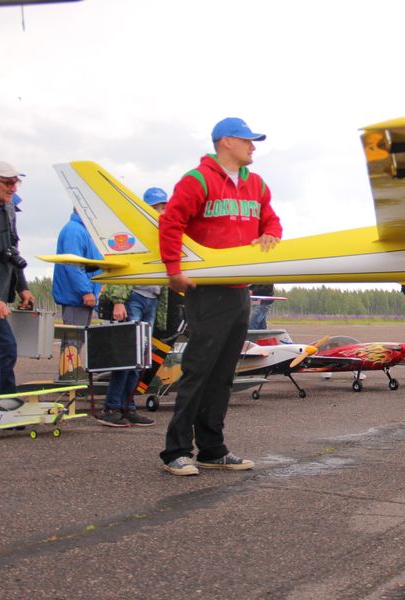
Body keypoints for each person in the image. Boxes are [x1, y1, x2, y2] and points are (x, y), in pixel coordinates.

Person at [158, 117, 282, 476]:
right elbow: (171, 223)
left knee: (224, 374)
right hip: (206, 291)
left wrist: (269, 234)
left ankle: (212, 449)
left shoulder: (256, 184)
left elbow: (271, 221)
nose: (253, 146)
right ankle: (175, 450)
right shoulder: (197, 180)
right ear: (226, 141)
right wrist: (172, 269)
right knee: (198, 371)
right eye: (248, 140)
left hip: (239, 290)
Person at [96, 188, 170, 428]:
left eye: (163, 207)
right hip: (134, 297)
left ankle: (127, 407)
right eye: (157, 207)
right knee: (127, 356)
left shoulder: (163, 235)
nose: (162, 211)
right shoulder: (131, 234)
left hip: (152, 298)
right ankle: (111, 407)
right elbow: (121, 265)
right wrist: (118, 300)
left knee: (140, 360)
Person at [0, 161, 34, 394]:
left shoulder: (9, 210)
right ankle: (6, 408)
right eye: (8, 183)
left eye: (16, 182)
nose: (14, 188)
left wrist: (23, 287)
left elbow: (12, 252)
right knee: (6, 346)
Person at [53, 210, 102, 327]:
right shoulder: (74, 231)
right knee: (73, 343)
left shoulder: (85, 231)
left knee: (79, 341)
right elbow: (72, 264)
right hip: (76, 299)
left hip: (84, 299)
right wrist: (86, 291)